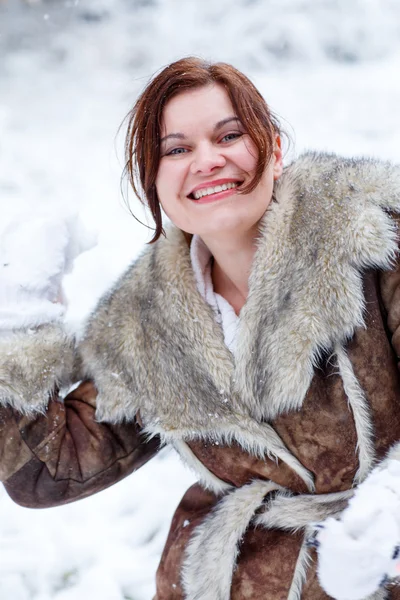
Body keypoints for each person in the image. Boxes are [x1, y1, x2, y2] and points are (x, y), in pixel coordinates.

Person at [1, 56, 400, 600]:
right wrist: (18, 319)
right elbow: (50, 473)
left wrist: (389, 507)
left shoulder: (372, 240)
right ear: (155, 182)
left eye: (228, 135)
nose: (207, 161)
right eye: (177, 149)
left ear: (273, 148)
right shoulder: (147, 323)